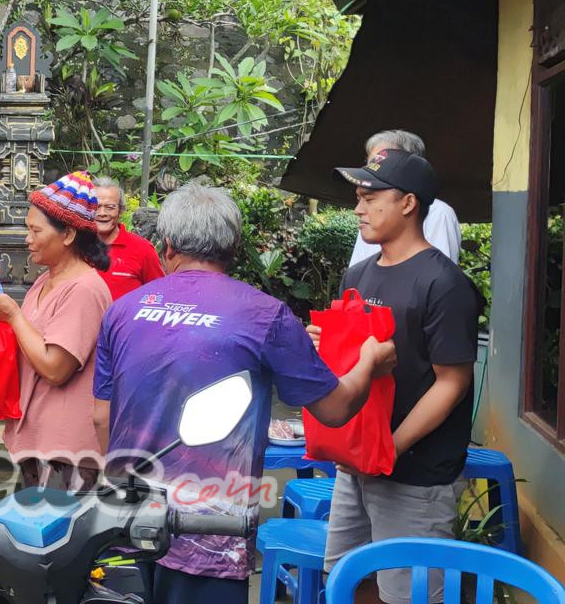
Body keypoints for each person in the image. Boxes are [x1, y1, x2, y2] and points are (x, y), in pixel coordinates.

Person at [91, 183, 397, 604]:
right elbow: (336, 408)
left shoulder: (122, 310)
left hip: (125, 521)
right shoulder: (265, 314)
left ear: (167, 247)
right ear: (234, 247)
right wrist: (370, 363)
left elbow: (100, 418)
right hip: (212, 536)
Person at [320, 149, 481, 604]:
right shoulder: (358, 274)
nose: (358, 208)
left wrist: (390, 447)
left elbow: (452, 381)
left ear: (408, 203)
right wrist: (327, 342)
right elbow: (354, 361)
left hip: (414, 474)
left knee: (406, 595)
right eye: (357, 197)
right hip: (356, 465)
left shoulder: (444, 284)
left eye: (371, 197)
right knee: (349, 580)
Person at [0, 171, 113, 492]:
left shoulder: (83, 289)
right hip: (39, 440)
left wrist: (13, 315)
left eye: (35, 230)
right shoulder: (44, 281)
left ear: (68, 235)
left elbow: (54, 368)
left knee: (56, 537)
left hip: (65, 451)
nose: (27, 239)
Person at [349, 130, 460, 265]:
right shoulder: (370, 216)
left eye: (381, 161)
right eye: (370, 162)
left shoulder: (439, 213)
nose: (372, 168)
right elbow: (357, 274)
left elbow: (439, 273)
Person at [92, 175, 164, 299]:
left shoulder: (143, 250)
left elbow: (159, 294)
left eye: (110, 207)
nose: (102, 213)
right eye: (96, 207)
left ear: (121, 210)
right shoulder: (75, 246)